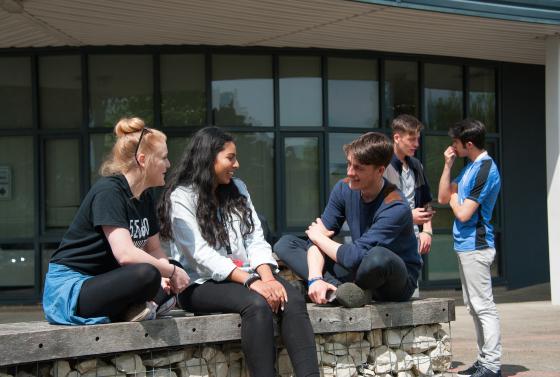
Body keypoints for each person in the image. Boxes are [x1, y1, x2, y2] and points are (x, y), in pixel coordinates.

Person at [158, 127, 319, 377]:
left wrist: (266, 278)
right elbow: (199, 254)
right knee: (257, 304)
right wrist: (253, 282)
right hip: (198, 284)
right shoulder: (182, 197)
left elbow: (255, 238)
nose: (236, 164)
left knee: (293, 299)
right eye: (230, 158)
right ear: (209, 158)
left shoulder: (238, 188)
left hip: (248, 276)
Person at [43, 117, 190, 325]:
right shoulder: (109, 192)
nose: (168, 164)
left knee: (165, 268)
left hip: (111, 281)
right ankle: (143, 307)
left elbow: (154, 248)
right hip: (72, 289)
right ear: (142, 159)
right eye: (163, 158)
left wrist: (166, 274)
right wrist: (169, 273)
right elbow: (126, 255)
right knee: (148, 274)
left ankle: (139, 308)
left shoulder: (145, 195)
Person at [274, 132, 421, 308]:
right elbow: (319, 241)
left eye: (358, 168)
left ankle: (343, 290)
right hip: (357, 270)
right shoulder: (343, 188)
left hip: (392, 280)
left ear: (380, 170)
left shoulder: (396, 206)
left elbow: (352, 256)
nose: (350, 172)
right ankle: (337, 290)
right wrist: (315, 278)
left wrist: (319, 238)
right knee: (286, 243)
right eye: (349, 164)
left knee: (377, 257)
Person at [438, 119, 502, 377]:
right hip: (465, 247)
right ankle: (484, 359)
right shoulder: (469, 168)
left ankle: (492, 365)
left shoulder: (486, 169)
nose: (452, 146)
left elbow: (463, 214)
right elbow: (443, 196)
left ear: (469, 144)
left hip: (477, 246)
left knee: (483, 306)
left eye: (455, 143)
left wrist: (454, 197)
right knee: (474, 305)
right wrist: (447, 165)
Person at [384, 114, 434, 297]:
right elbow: (376, 208)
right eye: (411, 139)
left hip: (412, 241)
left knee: (411, 294)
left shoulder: (416, 165)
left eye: (417, 139)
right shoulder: (382, 166)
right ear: (397, 138)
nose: (416, 144)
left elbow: (426, 201)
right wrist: (407, 216)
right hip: (388, 240)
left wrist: (427, 230)